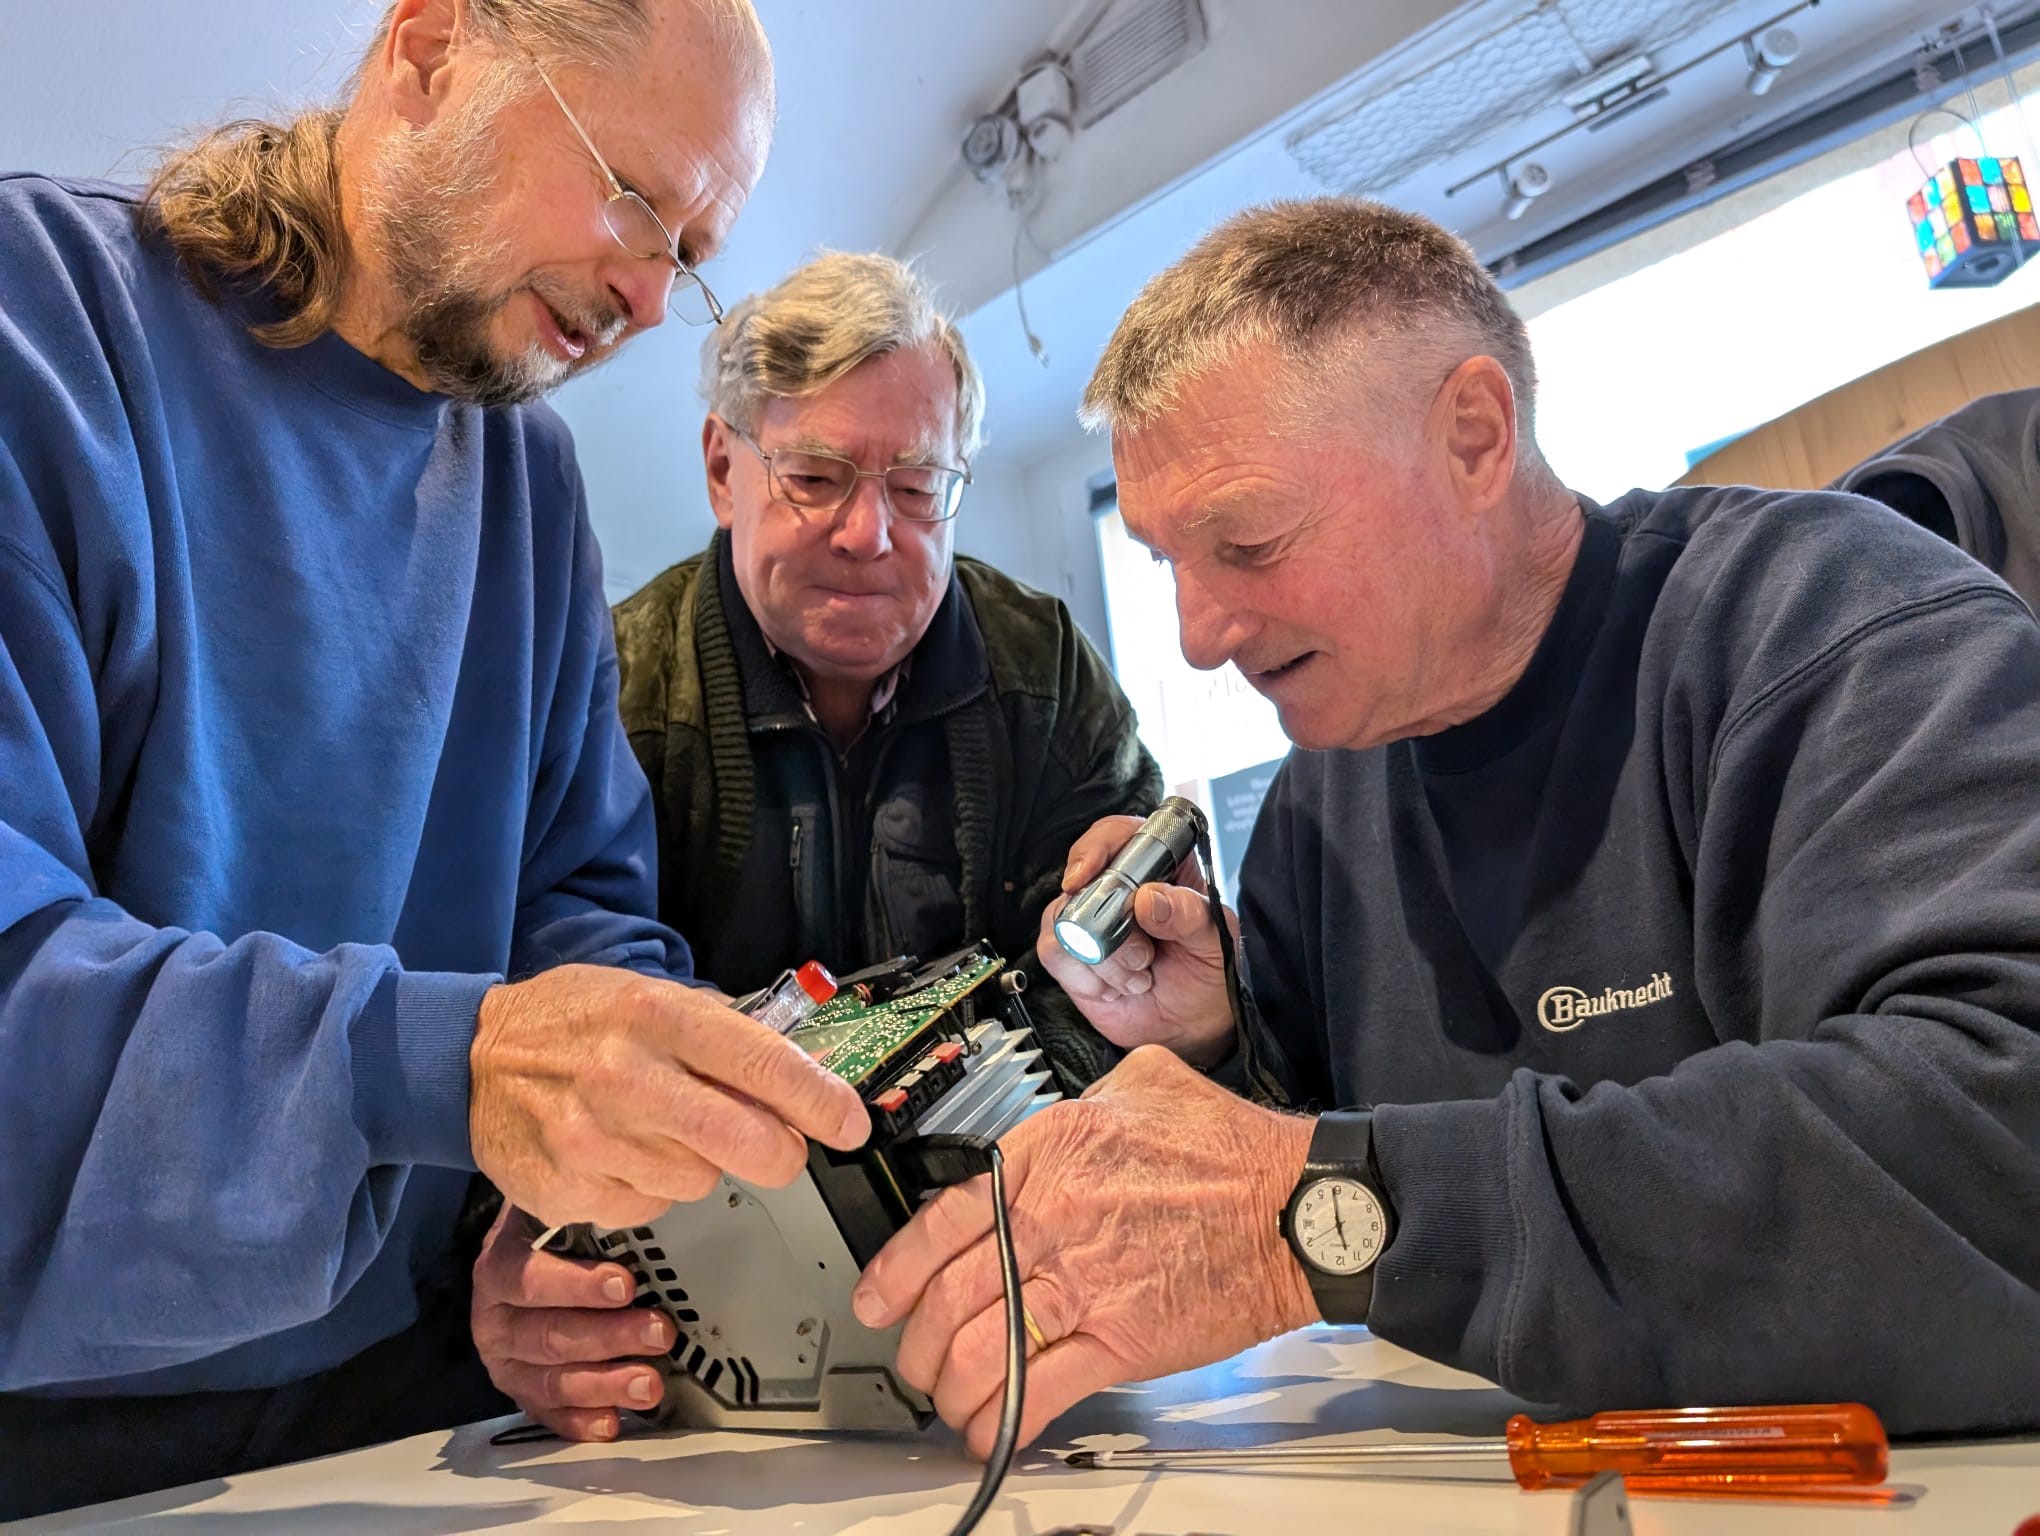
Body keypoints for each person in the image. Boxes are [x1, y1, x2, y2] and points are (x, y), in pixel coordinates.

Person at [852, 197, 2040, 1457]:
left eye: (1247, 542)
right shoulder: (1325, 800)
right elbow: (1328, 1176)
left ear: (1474, 437)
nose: (1198, 636)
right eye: (1164, 565)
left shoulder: (1832, 626)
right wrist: (1221, 1043)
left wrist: (1324, 1211)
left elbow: (1997, 1142)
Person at [0, 0, 872, 1517]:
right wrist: (441, 1069)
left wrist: (566, 1224)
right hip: (59, 1419)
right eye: (632, 198)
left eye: (689, 252)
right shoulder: (46, 324)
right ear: (429, 50)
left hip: (419, 1398)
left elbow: (584, 913)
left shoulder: (529, 482)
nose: (655, 300)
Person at [466, 251, 1162, 1440]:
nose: (869, 534)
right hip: (690, 1368)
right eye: (817, 476)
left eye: (917, 484)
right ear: (721, 466)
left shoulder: (1045, 676)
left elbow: (1135, 1014)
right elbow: (504, 1032)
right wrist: (503, 1252)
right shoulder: (605, 691)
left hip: (1019, 1322)